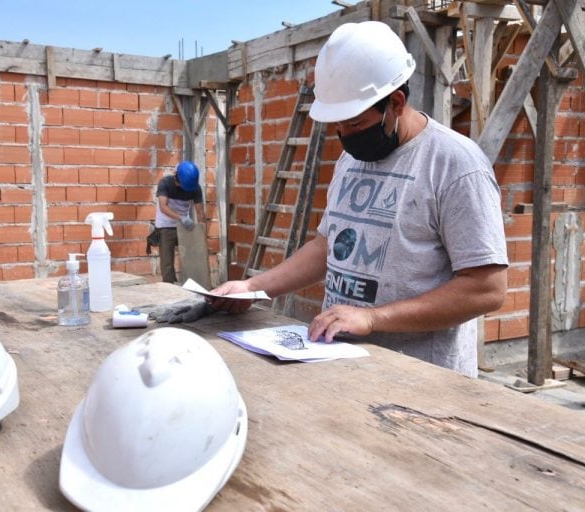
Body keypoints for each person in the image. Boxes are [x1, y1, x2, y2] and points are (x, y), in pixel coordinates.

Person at [209, 21, 509, 378]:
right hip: (343, 368)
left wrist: (372, 318)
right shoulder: (352, 159)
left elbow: (486, 289)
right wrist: (253, 288)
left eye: (355, 124)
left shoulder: (455, 164)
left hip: (421, 382)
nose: (344, 137)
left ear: (396, 103)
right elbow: (328, 246)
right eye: (337, 127)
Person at [155, 160, 205, 283]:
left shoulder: (194, 188)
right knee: (167, 263)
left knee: (191, 257)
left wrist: (201, 232)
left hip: (184, 226)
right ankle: (169, 287)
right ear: (177, 178)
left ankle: (193, 285)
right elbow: (163, 207)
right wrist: (181, 218)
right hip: (165, 225)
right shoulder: (165, 183)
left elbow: (200, 212)